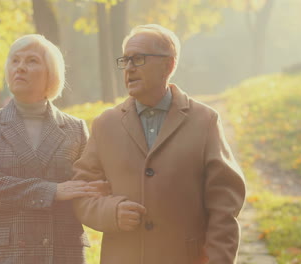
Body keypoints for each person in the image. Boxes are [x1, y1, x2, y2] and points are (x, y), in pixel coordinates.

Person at [72, 24, 246, 264]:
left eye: (139, 59)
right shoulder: (105, 124)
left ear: (169, 65)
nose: (129, 68)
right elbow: (81, 192)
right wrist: (110, 213)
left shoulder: (205, 121)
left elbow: (225, 206)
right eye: (126, 60)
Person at [0, 34, 108, 264]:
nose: (20, 68)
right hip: (3, 255)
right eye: (15, 61)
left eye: (31, 61)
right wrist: (51, 191)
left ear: (51, 74)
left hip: (61, 252)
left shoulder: (75, 128)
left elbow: (87, 188)